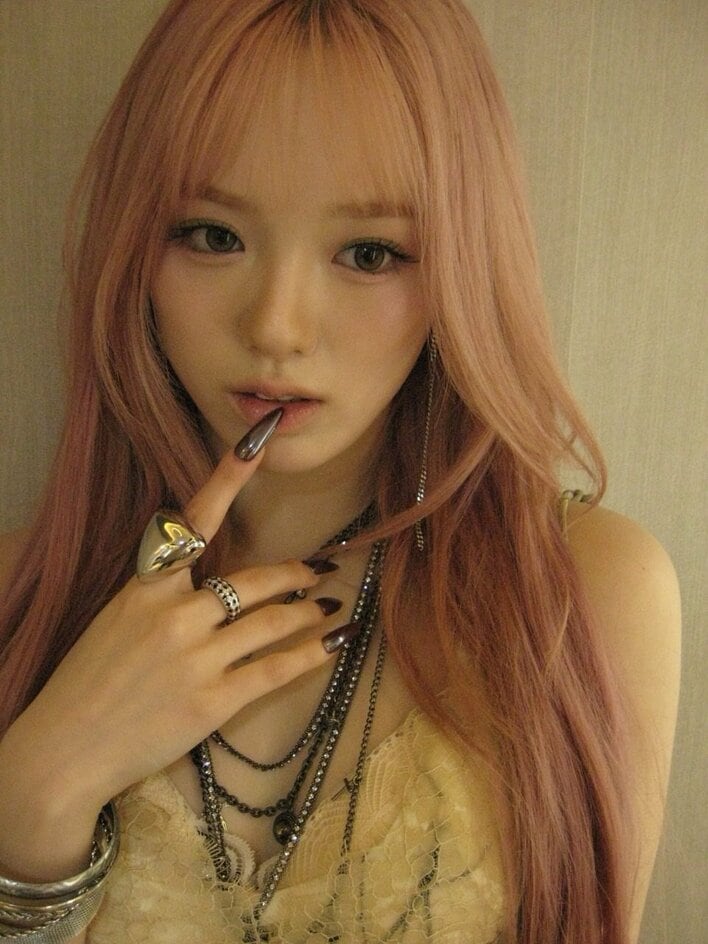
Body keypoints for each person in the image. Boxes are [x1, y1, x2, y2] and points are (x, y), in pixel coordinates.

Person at [0, 1, 681, 942]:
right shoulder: (22, 598)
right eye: (212, 235)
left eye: (369, 253)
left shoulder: (581, 593)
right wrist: (39, 794)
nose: (276, 327)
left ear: (462, 268)